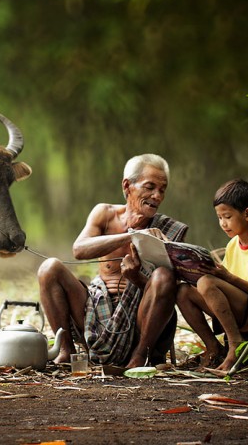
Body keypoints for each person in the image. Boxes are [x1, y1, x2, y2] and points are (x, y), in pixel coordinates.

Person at [38, 153, 188, 368]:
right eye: (149, 187)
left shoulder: (168, 231)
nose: (156, 196)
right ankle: (66, 351)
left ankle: (139, 356)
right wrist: (131, 236)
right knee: (49, 267)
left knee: (164, 275)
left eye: (162, 190)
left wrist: (136, 278)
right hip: (95, 312)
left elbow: (167, 292)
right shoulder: (105, 214)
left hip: (140, 318)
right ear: (127, 186)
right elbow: (79, 250)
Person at [176, 179, 248, 372]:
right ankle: (213, 347)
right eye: (219, 218)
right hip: (243, 304)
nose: (223, 223)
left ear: (247, 214)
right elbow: (223, 282)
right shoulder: (233, 244)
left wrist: (225, 277)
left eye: (227, 216)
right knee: (183, 291)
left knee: (207, 283)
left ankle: (235, 344)